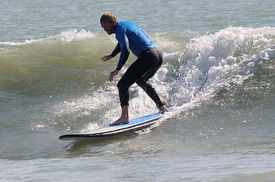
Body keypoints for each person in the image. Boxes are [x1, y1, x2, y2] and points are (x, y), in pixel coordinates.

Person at [100, 12, 169, 126]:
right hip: (157, 55)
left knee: (122, 85)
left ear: (114, 23)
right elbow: (122, 43)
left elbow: (125, 49)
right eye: (103, 28)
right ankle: (162, 107)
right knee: (141, 80)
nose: (105, 30)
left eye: (106, 26)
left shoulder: (120, 30)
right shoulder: (125, 25)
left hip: (147, 56)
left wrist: (117, 69)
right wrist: (112, 55)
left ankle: (124, 117)